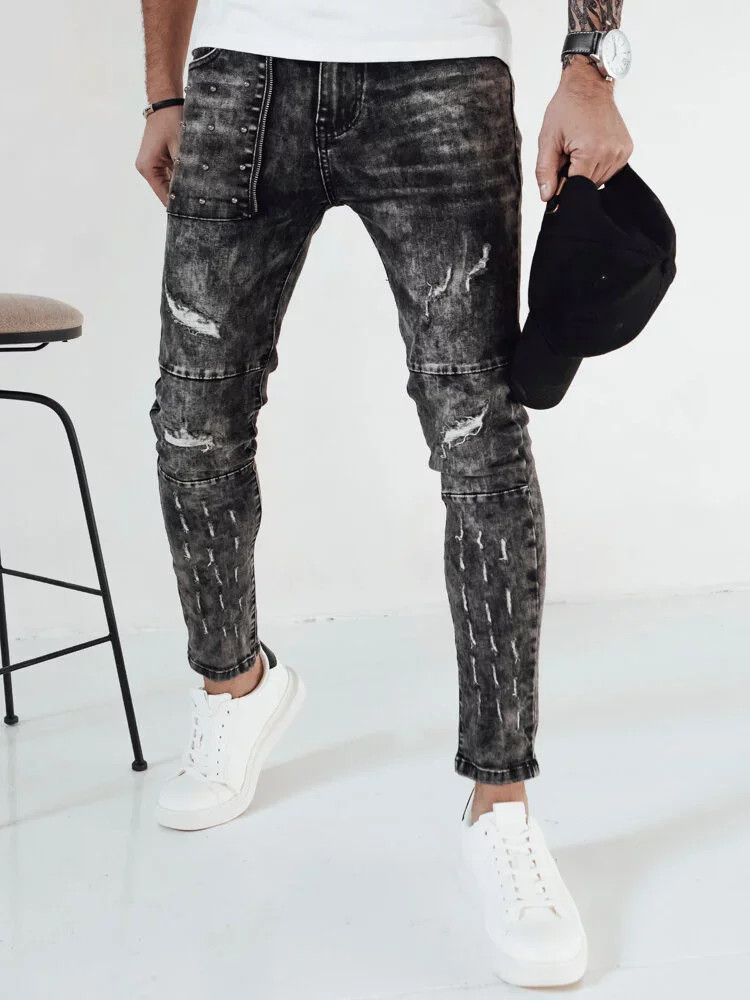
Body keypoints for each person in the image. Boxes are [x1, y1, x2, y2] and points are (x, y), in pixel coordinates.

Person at [136, 0, 632, 987]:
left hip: (437, 72)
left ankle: (500, 803)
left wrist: (588, 67)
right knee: (194, 417)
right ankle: (236, 687)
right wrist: (163, 91)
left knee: (478, 440)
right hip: (243, 75)